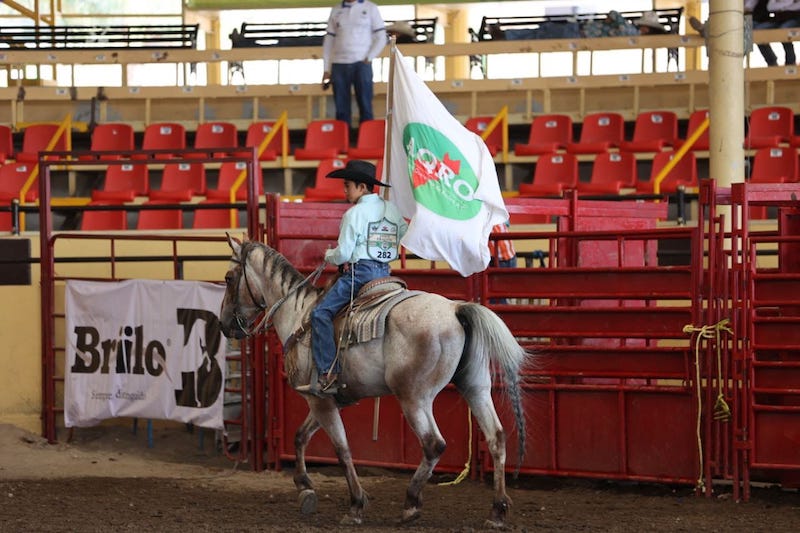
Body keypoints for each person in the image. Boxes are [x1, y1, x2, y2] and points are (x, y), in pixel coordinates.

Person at [296, 160, 408, 396]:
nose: (344, 190)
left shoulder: (354, 214)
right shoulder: (393, 210)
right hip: (386, 274)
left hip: (361, 275)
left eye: (347, 185)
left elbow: (343, 254)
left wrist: (329, 255)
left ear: (362, 187)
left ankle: (328, 372)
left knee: (320, 314)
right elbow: (403, 235)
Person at [322, 0, 387, 129]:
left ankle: (366, 142)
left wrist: (370, 57)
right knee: (341, 107)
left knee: (365, 104)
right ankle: (344, 141)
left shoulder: (370, 8)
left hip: (361, 63)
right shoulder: (336, 10)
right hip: (339, 64)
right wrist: (326, 69)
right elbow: (329, 40)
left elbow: (381, 36)